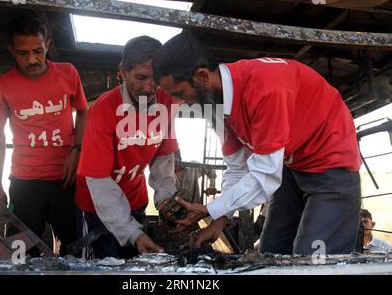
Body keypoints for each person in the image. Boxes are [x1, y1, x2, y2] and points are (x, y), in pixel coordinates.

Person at [152, 31, 362, 255]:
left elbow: (264, 177)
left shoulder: (266, 89)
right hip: (290, 165)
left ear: (202, 76)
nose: (178, 102)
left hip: (330, 164)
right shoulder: (216, 105)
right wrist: (219, 220)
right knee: (270, 252)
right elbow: (237, 168)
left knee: (313, 260)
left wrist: (210, 209)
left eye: (180, 93)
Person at [0, 16, 88, 256]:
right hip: (24, 181)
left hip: (66, 180)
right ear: (11, 50)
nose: (32, 59)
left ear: (48, 45)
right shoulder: (1, 84)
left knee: (74, 249)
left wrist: (77, 150)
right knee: (20, 253)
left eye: (38, 51)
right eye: (23, 53)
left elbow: (83, 112)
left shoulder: (68, 73)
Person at [75, 36, 179, 259]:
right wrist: (132, 232)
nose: (150, 88)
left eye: (156, 79)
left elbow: (164, 158)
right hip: (97, 207)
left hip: (135, 200)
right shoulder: (103, 110)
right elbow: (99, 182)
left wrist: (165, 200)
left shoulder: (167, 100)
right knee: (102, 269)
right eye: (141, 78)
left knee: (133, 267)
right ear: (122, 71)